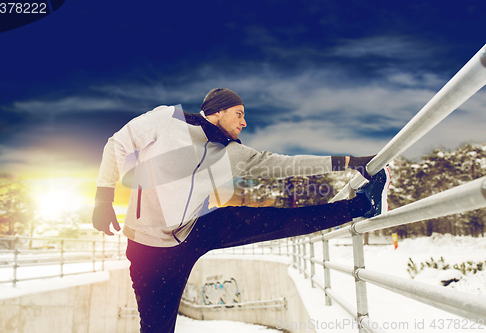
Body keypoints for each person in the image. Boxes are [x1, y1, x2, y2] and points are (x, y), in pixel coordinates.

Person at [92, 88, 390, 333]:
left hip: (195, 230)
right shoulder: (168, 120)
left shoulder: (233, 152)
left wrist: (351, 162)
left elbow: (286, 164)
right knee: (156, 329)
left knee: (280, 219)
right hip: (148, 251)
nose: (244, 122)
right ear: (217, 111)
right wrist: (104, 198)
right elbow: (117, 144)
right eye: (239, 114)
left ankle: (363, 205)